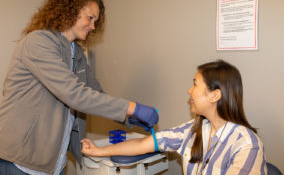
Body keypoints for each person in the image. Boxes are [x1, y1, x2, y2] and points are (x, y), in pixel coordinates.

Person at [0, 0, 159, 175]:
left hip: (52, 161)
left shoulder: (76, 53)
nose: (93, 26)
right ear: (70, 11)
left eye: (95, 21)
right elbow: (75, 94)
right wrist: (134, 107)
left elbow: (95, 94)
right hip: (17, 159)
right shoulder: (38, 42)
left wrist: (130, 117)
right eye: (90, 18)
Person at [82, 60, 267, 175]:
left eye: (195, 84)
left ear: (215, 95)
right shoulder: (193, 130)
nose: (189, 90)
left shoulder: (246, 145)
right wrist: (99, 151)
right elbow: (141, 145)